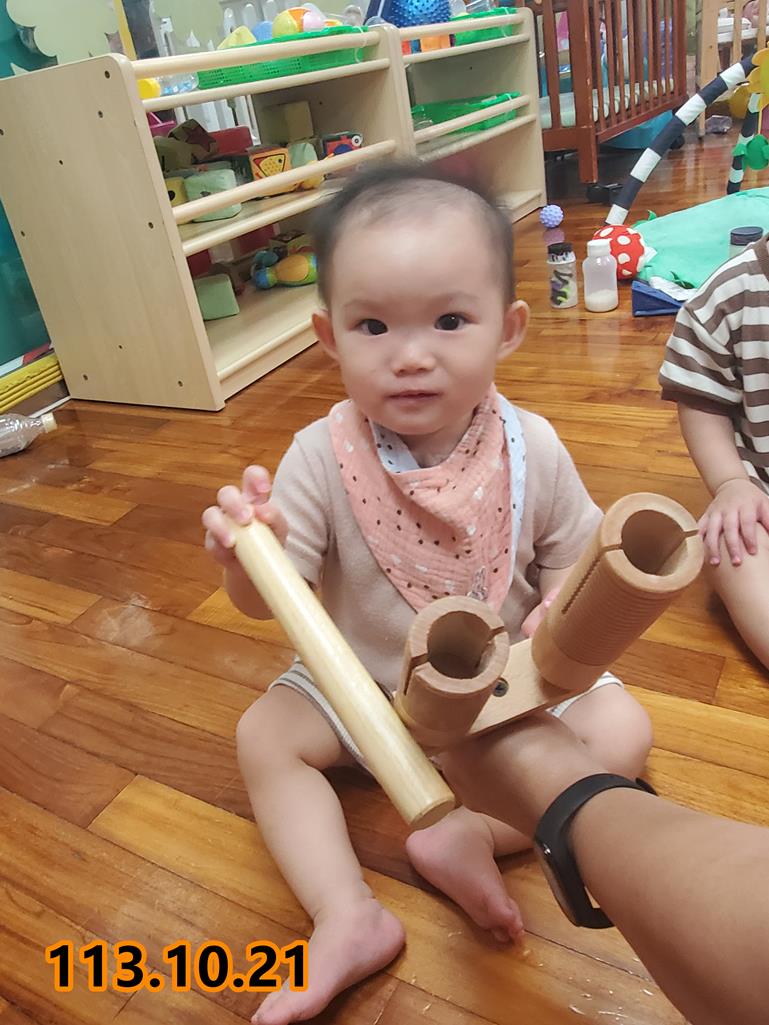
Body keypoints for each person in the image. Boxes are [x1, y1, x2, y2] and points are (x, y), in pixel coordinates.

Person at [202, 163, 653, 1025]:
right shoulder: (318, 456)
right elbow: (268, 603)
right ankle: (346, 912)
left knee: (623, 727)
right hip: (366, 692)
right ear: (328, 336)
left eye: (449, 321)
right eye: (372, 325)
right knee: (264, 735)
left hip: (505, 689)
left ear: (507, 330)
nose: (410, 355)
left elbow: (575, 557)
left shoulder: (532, 445)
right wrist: (243, 555)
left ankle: (470, 834)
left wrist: (559, 606)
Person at [442, 711, 769, 1025]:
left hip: (545, 702)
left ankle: (473, 829)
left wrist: (555, 780)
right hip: (433, 723)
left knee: (625, 732)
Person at [659, 240, 769, 670]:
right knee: (728, 545)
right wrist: (731, 483)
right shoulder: (729, 296)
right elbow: (701, 400)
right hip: (761, 499)